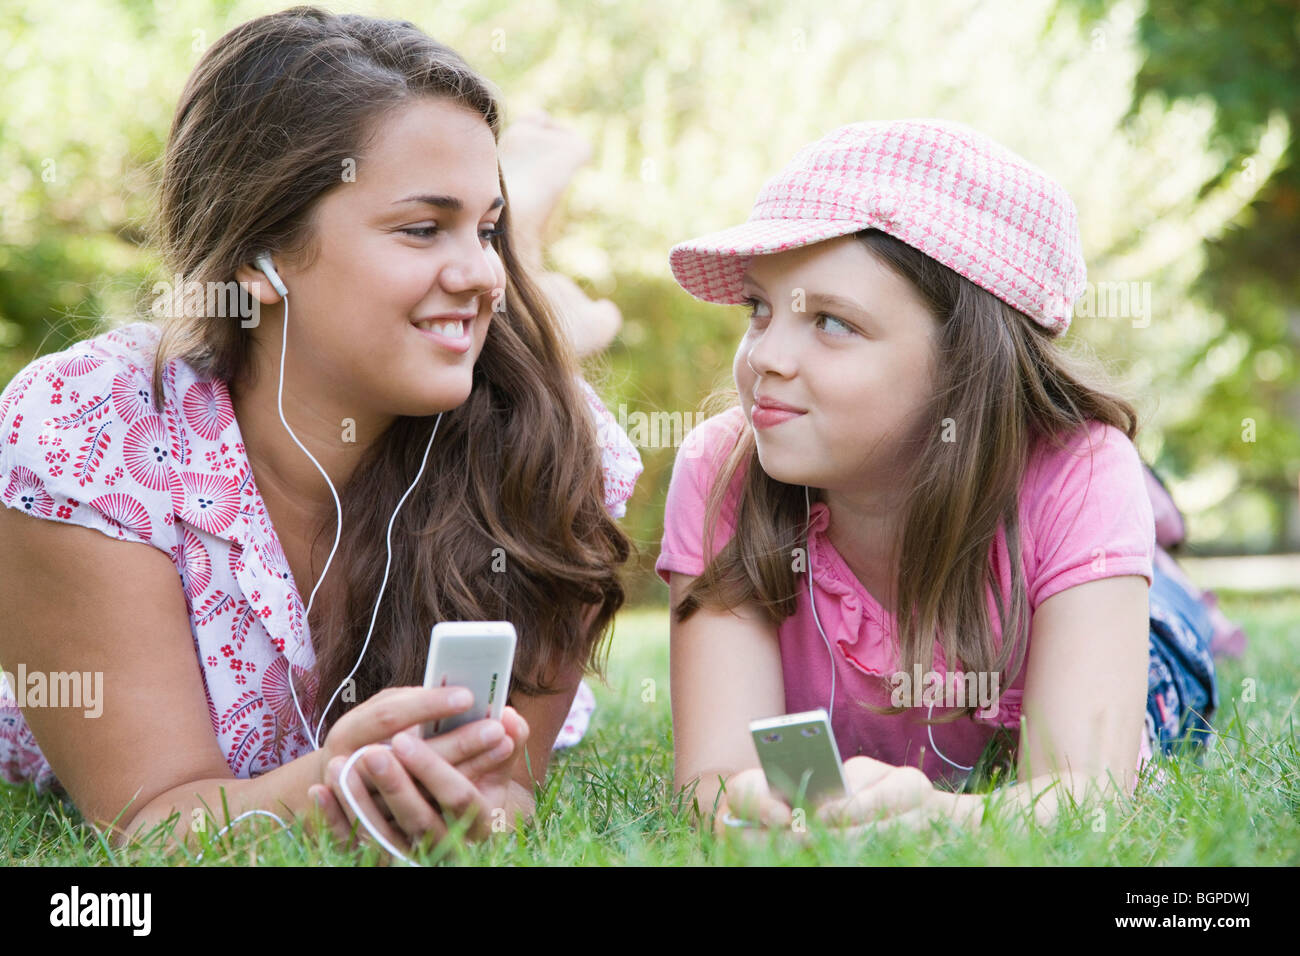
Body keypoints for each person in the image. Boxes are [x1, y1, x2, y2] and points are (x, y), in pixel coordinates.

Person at [0, 7, 642, 858]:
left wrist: (484, 797)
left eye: (487, 228)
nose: (482, 273)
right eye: (422, 225)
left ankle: (526, 225)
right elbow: (155, 820)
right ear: (255, 259)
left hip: (479, 368)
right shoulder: (91, 434)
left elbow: (507, 795)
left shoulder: (551, 441)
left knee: (529, 336)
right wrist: (332, 783)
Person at [658, 118, 1218, 834]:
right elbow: (712, 779)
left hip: (1139, 639)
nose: (765, 355)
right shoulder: (721, 468)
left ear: (966, 365)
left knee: (1162, 618)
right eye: (760, 308)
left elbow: (1089, 793)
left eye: (831, 322)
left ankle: (1152, 544)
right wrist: (751, 808)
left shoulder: (1080, 470)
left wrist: (940, 818)